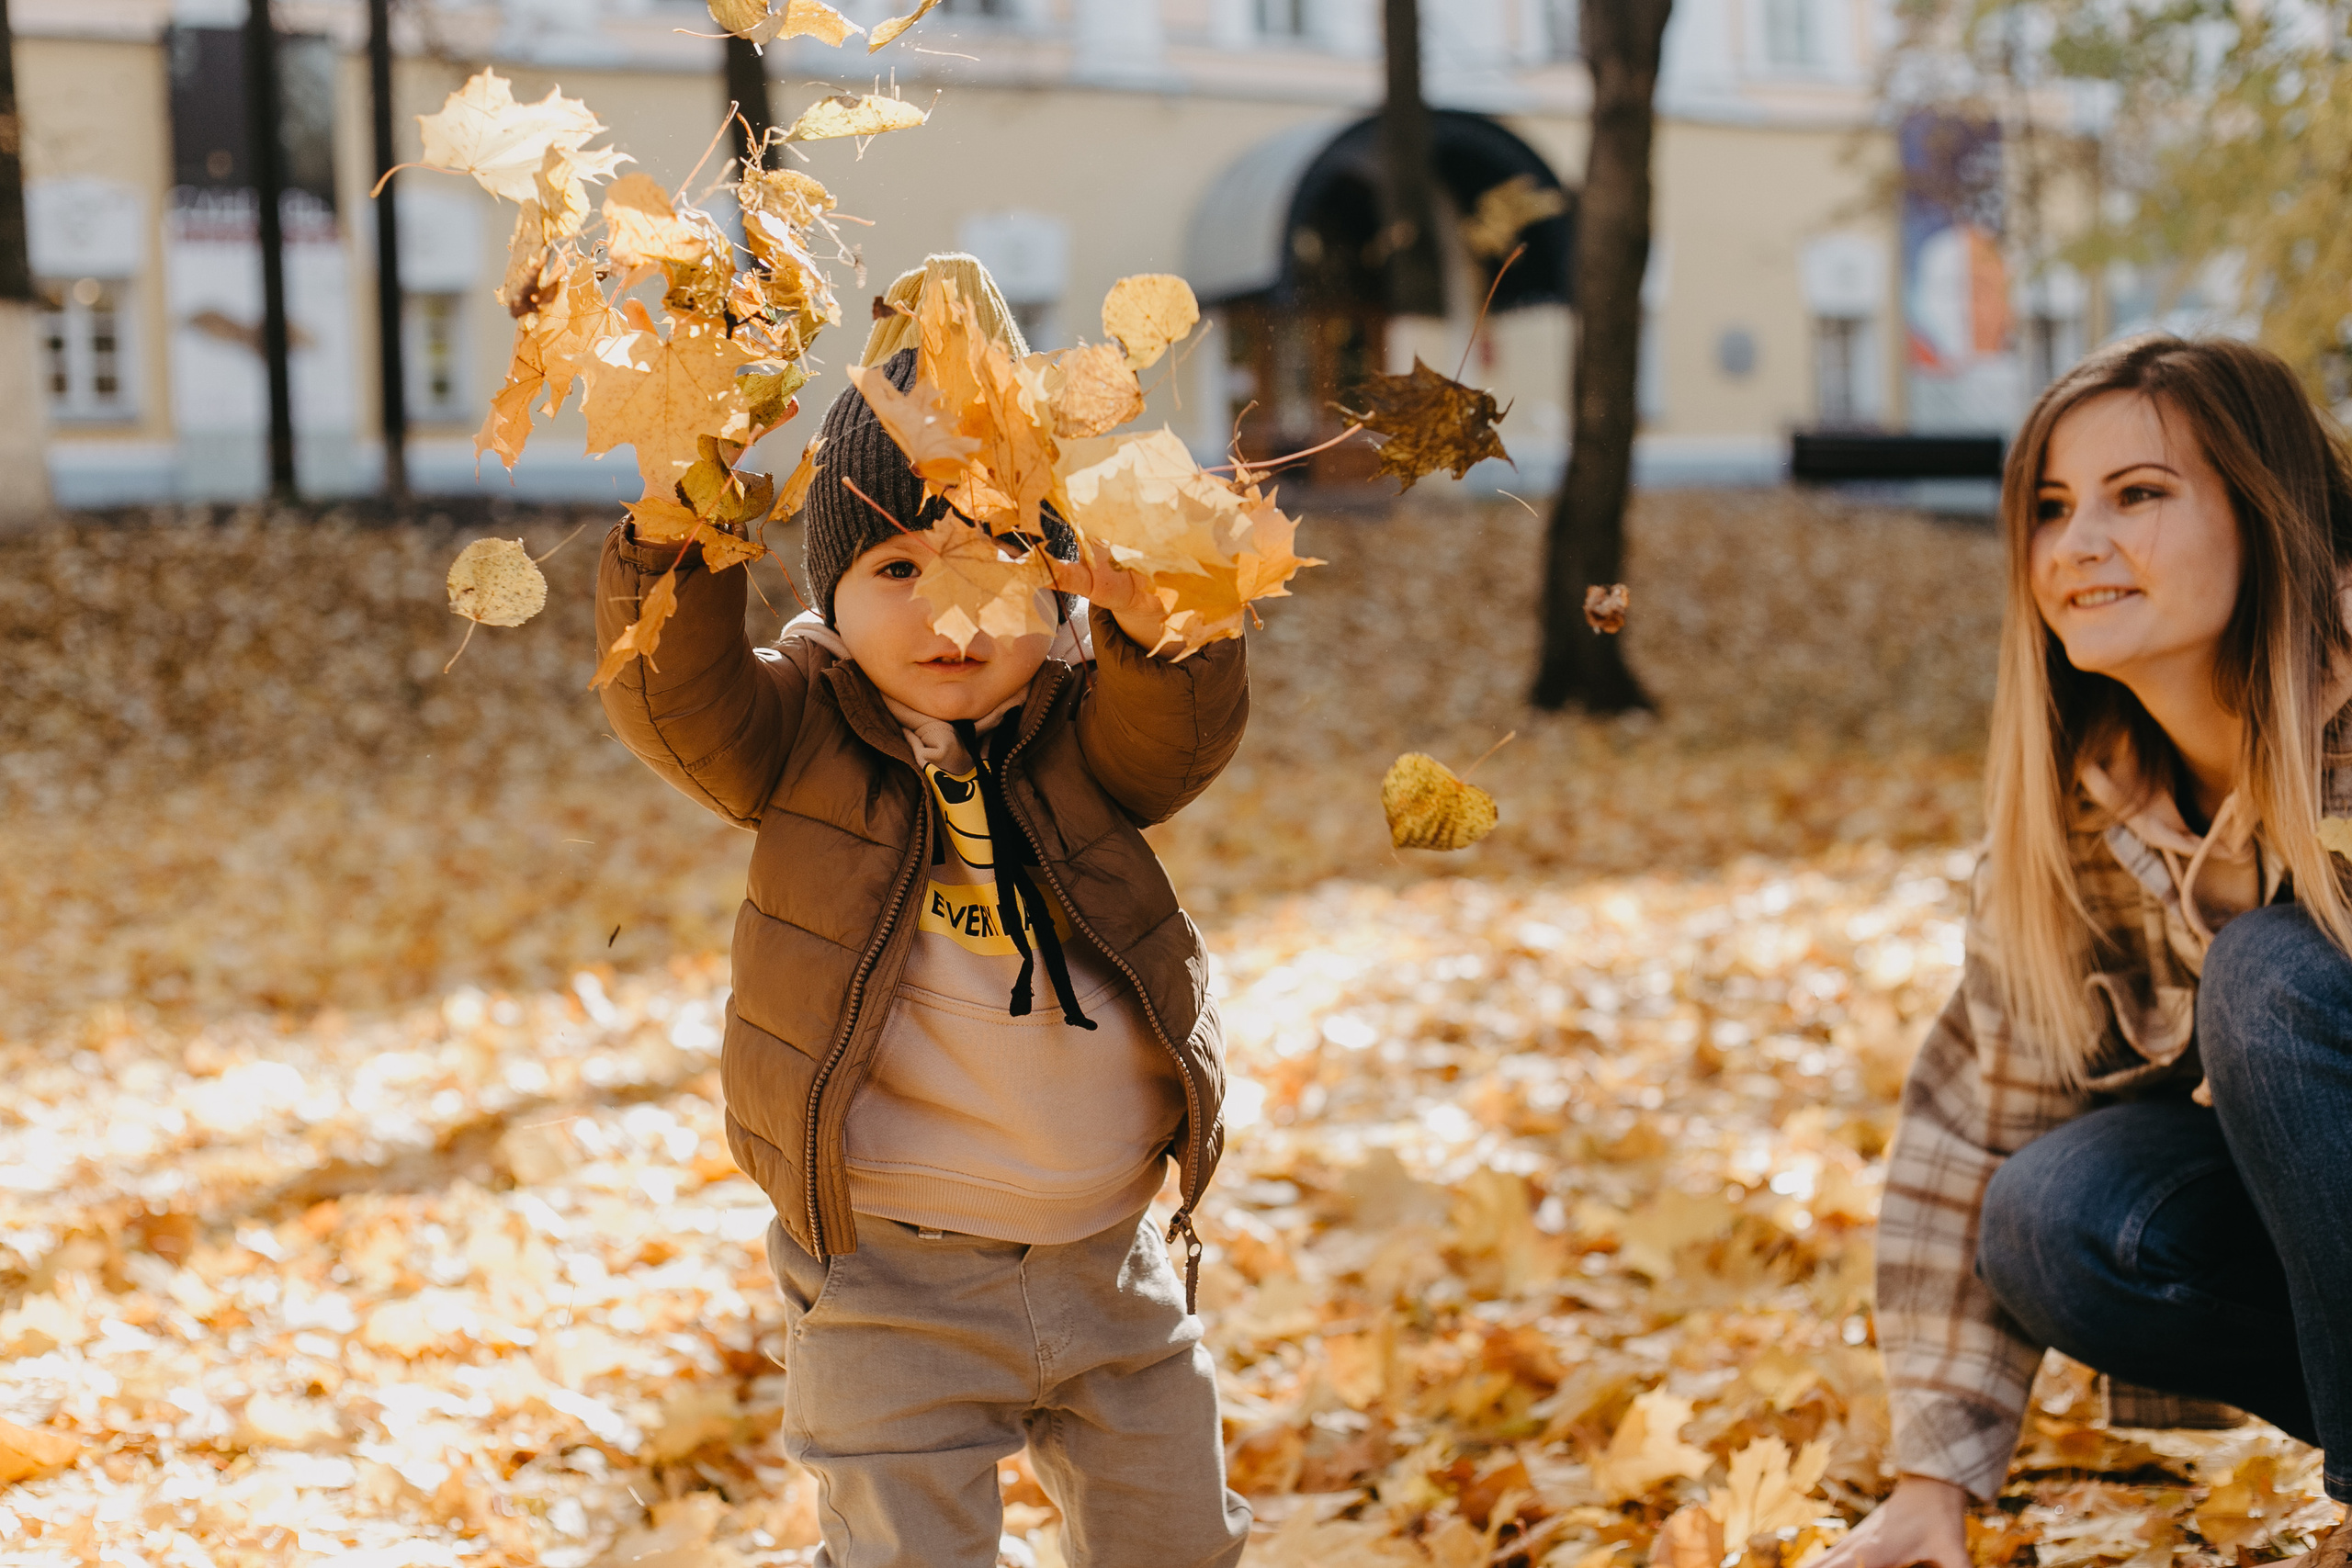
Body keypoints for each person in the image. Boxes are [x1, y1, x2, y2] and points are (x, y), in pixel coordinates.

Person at [594, 254, 1253, 1567]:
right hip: (889, 1273)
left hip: (1108, 1258)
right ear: (832, 591)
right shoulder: (798, 733)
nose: (951, 612)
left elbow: (1176, 739)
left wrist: (1165, 627)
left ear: (1059, 577)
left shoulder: (1082, 727)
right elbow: (677, 692)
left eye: (998, 556)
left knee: (1180, 1546)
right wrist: (688, 525)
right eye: (897, 567)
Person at [1818, 334, 2352, 1568]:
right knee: (2054, 1212)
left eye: (2142, 495)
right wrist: (1930, 1484)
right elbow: (1977, 1125)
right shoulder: (2081, 815)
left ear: (2269, 516)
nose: (2079, 546)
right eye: (2053, 508)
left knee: (2270, 976)